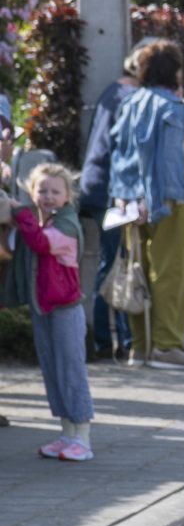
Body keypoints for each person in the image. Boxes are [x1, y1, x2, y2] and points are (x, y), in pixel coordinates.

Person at [107, 42, 184, 367]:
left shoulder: (130, 102)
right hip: (171, 200)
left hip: (129, 202)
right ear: (175, 71)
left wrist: (125, 195)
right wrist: (163, 198)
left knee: (137, 271)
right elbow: (170, 158)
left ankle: (140, 346)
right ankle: (167, 345)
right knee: (172, 273)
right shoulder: (174, 107)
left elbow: (120, 153)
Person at [13, 160, 95, 460]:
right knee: (52, 371)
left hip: (65, 309)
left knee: (71, 370)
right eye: (41, 190)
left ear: (67, 196)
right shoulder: (43, 220)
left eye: (55, 192)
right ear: (32, 192)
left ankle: (83, 438)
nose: (48, 196)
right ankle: (66, 433)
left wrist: (19, 213)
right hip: (43, 307)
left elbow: (40, 244)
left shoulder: (66, 225)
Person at [78, 54, 138, 360]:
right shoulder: (129, 97)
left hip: (97, 188)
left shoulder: (113, 91)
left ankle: (107, 339)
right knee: (117, 262)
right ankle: (116, 340)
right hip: (112, 193)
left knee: (112, 261)